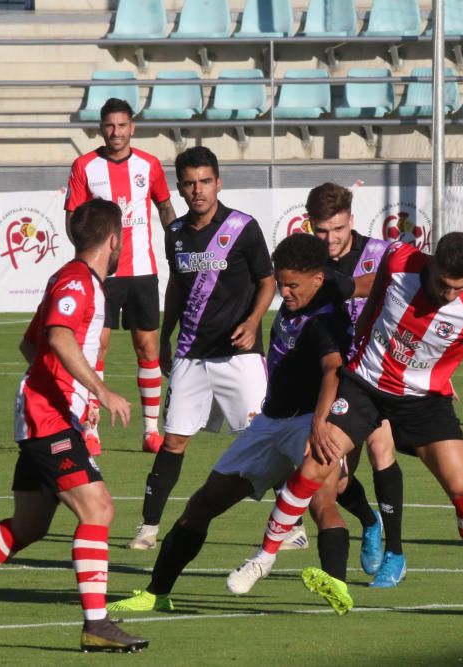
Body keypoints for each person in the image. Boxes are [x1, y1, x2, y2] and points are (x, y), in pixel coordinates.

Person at [229, 232, 463, 614]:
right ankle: (263, 559)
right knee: (315, 462)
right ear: (430, 265)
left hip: (423, 401)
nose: (449, 295)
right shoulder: (399, 259)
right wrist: (357, 340)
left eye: (458, 288)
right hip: (366, 385)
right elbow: (372, 295)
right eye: (443, 285)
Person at [0, 199, 148, 653]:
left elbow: (31, 345)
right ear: (114, 240)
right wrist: (98, 390)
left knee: (30, 525)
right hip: (47, 420)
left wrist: (75, 392)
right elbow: (58, 337)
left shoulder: (70, 279)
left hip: (47, 413)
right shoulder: (79, 283)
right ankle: (96, 623)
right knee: (97, 510)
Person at [109, 234, 357, 616]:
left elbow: (332, 370)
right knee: (203, 502)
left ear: (317, 279)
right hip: (270, 420)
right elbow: (350, 282)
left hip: (308, 423)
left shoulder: (326, 318)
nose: (285, 292)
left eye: (293, 285)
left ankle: (336, 585)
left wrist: (322, 424)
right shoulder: (318, 286)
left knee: (323, 500)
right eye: (281, 282)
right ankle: (157, 592)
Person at [126, 146, 274, 550]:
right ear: (179, 188)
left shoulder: (243, 227)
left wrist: (252, 322)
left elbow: (267, 280)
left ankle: (289, 525)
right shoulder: (174, 234)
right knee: (173, 440)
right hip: (192, 354)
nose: (198, 191)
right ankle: (149, 527)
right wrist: (166, 333)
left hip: (238, 356)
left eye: (205, 181)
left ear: (218, 183)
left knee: (263, 439)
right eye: (190, 184)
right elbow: (176, 287)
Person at [65, 97, 176, 455]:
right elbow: (73, 217)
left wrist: (177, 243)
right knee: (97, 349)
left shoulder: (150, 165)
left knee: (147, 348)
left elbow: (164, 206)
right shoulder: (84, 166)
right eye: (109, 125)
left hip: (142, 273)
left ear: (132, 128)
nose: (115, 132)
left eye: (122, 125)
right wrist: (86, 258)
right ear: (101, 128)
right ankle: (91, 429)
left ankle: (150, 431)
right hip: (103, 277)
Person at [308, 182, 406, 587]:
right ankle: (369, 521)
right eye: (321, 231)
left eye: (337, 229)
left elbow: (409, 308)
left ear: (351, 221)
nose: (330, 239)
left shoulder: (380, 255)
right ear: (309, 225)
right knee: (337, 475)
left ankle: (395, 555)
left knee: (382, 448)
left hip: (376, 375)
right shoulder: (309, 261)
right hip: (331, 378)